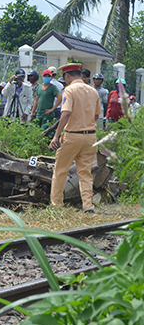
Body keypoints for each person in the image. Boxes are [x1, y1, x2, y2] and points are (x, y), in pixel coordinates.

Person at [49, 62, 101, 213]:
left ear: (67, 75)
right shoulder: (93, 91)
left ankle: (57, 205)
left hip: (72, 136)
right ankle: (88, 206)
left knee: (60, 171)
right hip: (90, 137)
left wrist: (56, 136)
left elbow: (66, 113)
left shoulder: (70, 90)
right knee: (85, 173)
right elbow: (96, 116)